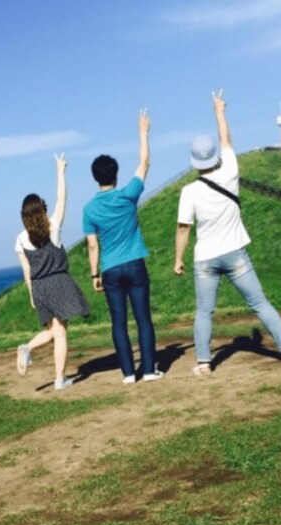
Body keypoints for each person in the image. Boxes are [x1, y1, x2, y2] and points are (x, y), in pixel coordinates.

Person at [174, 90, 281, 376]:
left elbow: (183, 228)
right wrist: (219, 111)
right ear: (214, 157)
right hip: (235, 253)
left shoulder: (188, 191)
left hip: (205, 258)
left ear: (194, 161)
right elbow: (227, 141)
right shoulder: (230, 171)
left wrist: (178, 259)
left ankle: (204, 363)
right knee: (258, 302)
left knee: (204, 311)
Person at [83, 108, 164, 385]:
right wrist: (143, 132)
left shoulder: (89, 209)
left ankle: (129, 374)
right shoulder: (129, 195)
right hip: (135, 263)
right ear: (115, 175)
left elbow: (92, 246)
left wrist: (94, 275)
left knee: (118, 322)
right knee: (143, 319)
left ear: (96, 177)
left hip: (110, 269)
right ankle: (149, 370)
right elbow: (145, 163)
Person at [15, 153, 91, 391]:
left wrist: (31, 295)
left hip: (39, 287)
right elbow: (62, 198)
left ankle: (28, 348)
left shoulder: (20, 239)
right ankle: (59, 379)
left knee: (53, 331)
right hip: (58, 282)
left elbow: (27, 270)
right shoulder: (53, 227)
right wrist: (60, 172)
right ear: (42, 210)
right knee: (61, 333)